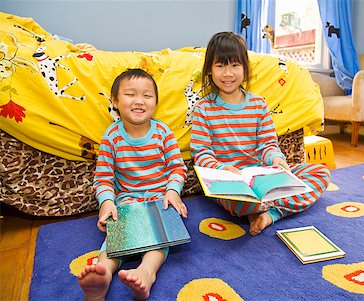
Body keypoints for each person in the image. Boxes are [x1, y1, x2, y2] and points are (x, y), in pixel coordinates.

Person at [190, 32, 330, 236]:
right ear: (210, 70)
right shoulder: (203, 108)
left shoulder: (258, 104)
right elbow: (201, 153)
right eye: (220, 65)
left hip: (261, 177)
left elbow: (268, 144)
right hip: (228, 182)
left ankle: (270, 213)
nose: (228, 73)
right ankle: (263, 208)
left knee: (320, 173)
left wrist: (277, 160)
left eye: (235, 65)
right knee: (238, 203)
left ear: (245, 70)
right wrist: (222, 169)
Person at [78, 68, 188, 301]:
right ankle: (103, 273)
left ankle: (146, 273)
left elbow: (177, 168)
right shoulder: (112, 137)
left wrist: (172, 191)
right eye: (130, 94)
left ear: (156, 103)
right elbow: (104, 178)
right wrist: (107, 202)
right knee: (116, 239)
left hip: (160, 199)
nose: (139, 101)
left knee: (159, 239)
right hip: (127, 201)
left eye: (147, 96)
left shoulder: (163, 133)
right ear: (115, 101)